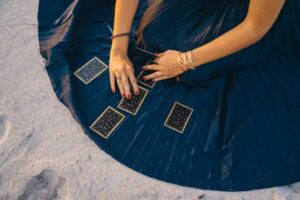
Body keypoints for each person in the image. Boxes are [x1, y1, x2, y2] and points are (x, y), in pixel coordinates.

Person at [38, 0, 300, 191]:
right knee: (152, 36)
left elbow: (254, 28)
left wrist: (185, 61)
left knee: (193, 69)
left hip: (257, 17)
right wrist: (118, 45)